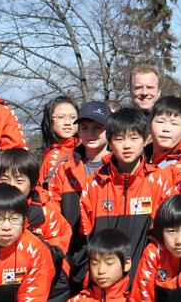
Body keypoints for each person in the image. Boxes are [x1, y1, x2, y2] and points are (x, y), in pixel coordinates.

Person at [79, 108, 165, 280]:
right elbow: (84, 241)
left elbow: (166, 238)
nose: (127, 145)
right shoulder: (94, 184)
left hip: (146, 283)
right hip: (104, 283)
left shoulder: (159, 181)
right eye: (119, 139)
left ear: (145, 140)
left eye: (134, 138)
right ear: (110, 142)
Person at [0, 148, 73, 302]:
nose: (12, 186)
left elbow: (59, 245)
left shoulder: (45, 211)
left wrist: (27, 248)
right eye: (5, 180)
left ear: (33, 183)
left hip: (43, 286)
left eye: (19, 181)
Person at [49, 101, 111, 241]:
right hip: (73, 248)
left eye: (98, 127)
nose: (90, 133)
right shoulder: (64, 169)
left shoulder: (119, 166)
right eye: (84, 128)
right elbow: (53, 212)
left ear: (109, 129)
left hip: (109, 248)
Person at [39, 96, 78, 189]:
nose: (67, 122)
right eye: (61, 117)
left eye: (73, 117)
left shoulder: (87, 149)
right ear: (49, 121)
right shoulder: (53, 157)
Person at [146, 95, 181, 172]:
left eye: (174, 124)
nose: (166, 129)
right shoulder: (138, 158)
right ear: (150, 126)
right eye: (160, 122)